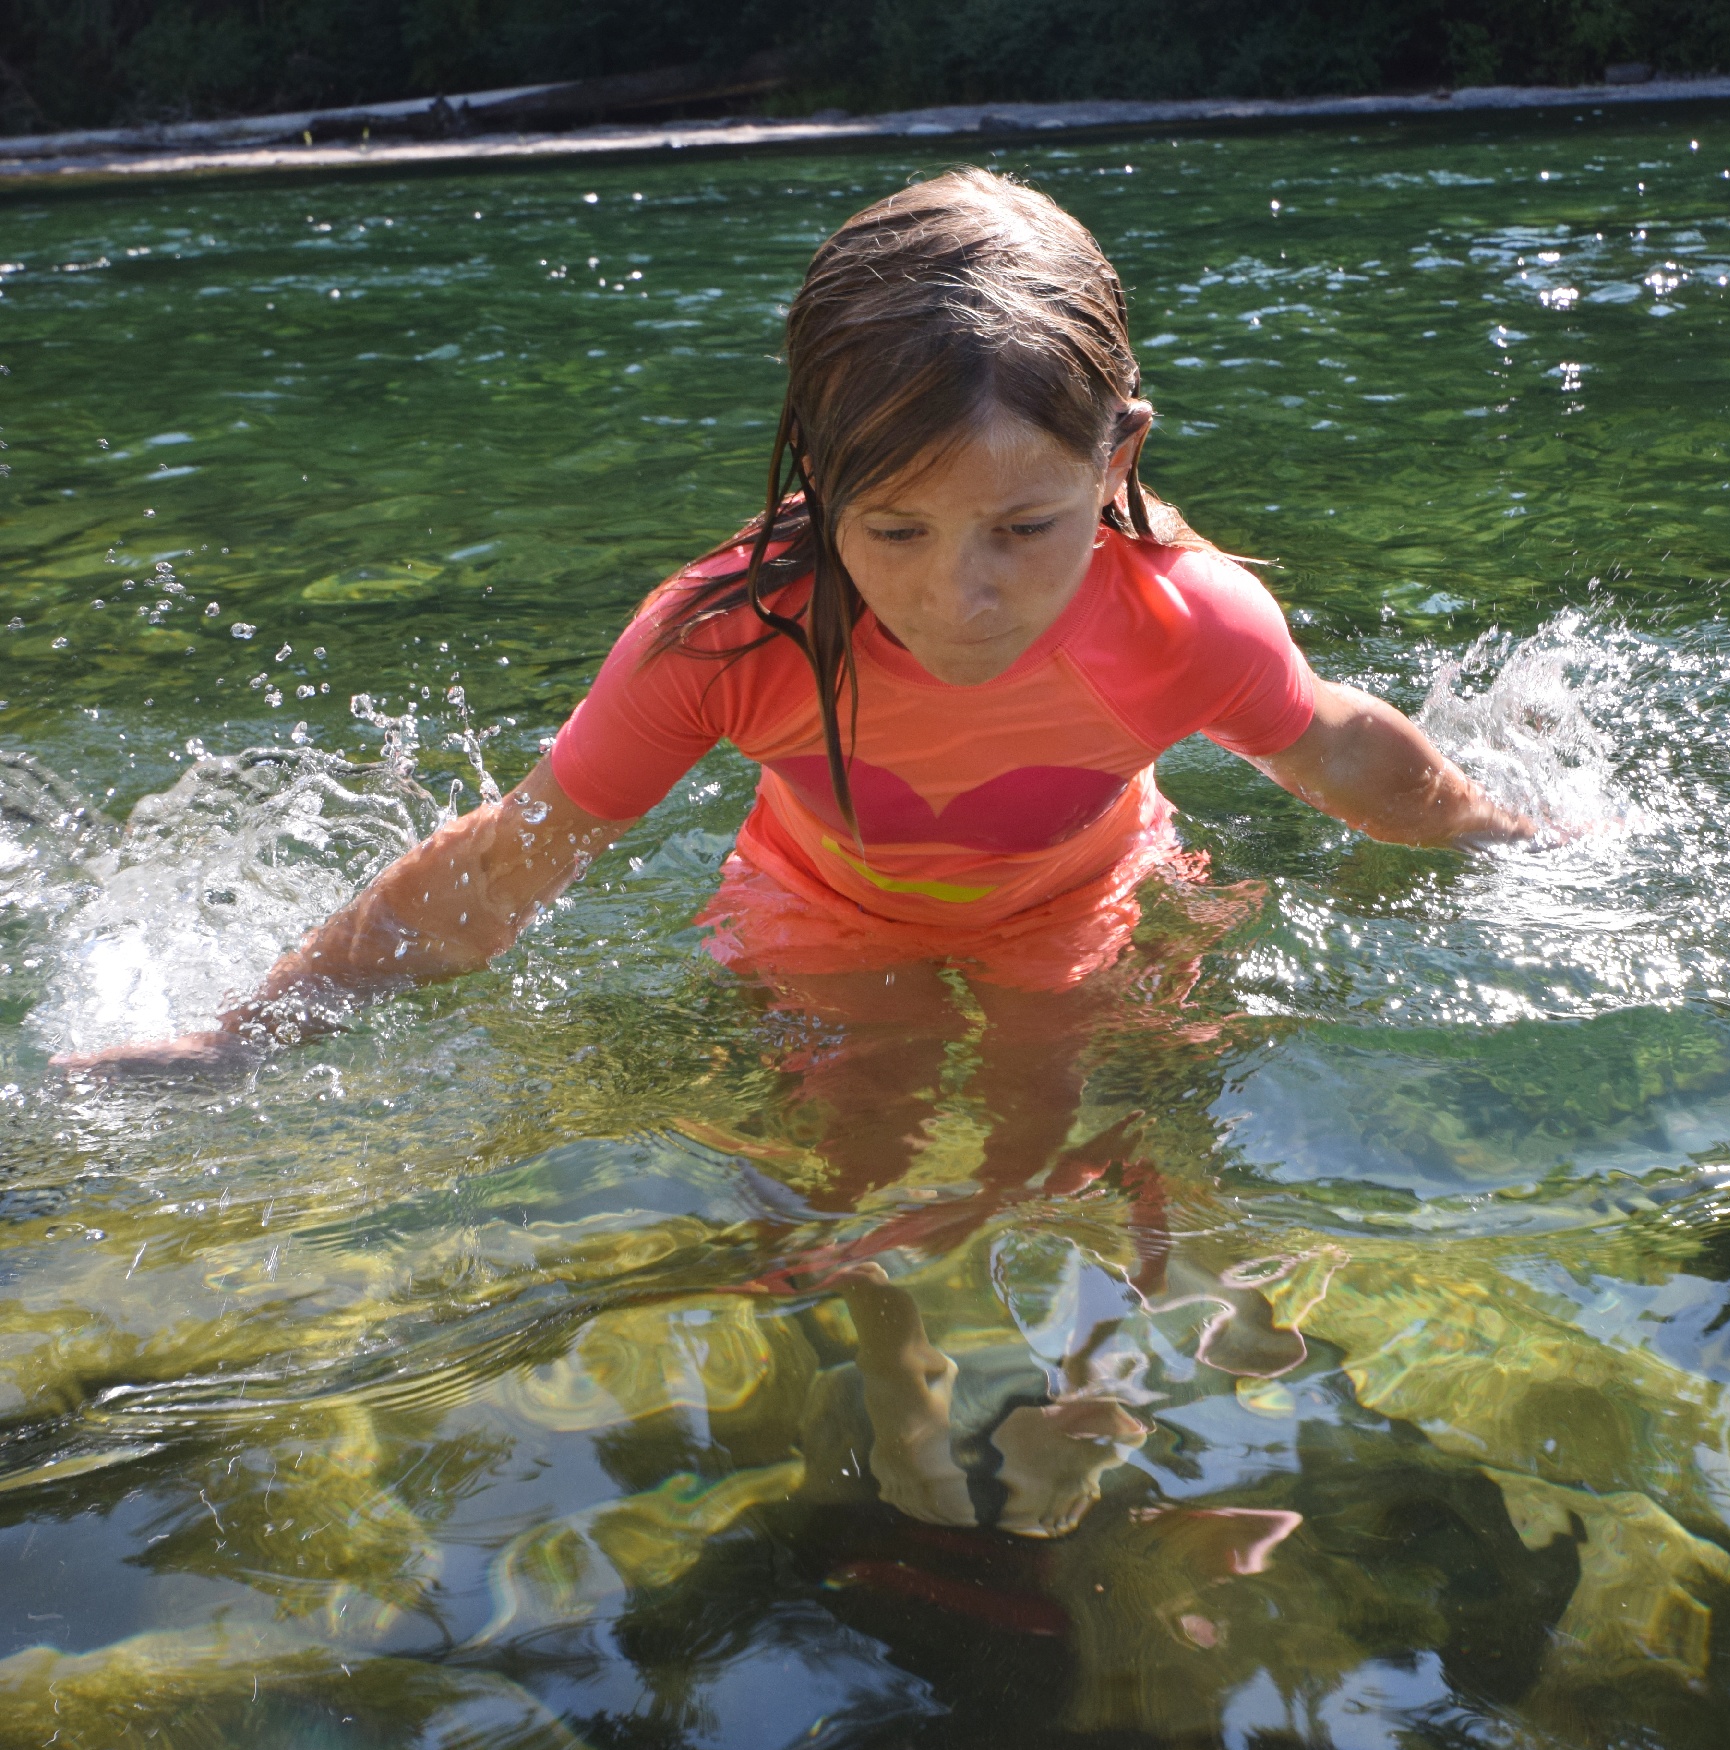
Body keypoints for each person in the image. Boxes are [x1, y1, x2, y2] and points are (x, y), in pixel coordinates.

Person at [58, 168, 1531, 1191]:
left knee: (1059, 1148)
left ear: (1115, 460)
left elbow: (1338, 746)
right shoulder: (727, 640)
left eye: (1026, 529)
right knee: (856, 1170)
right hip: (821, 912)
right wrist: (248, 1037)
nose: (962, 594)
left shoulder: (1181, 622)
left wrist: (1502, 842)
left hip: (1082, 901)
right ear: (819, 482)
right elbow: (510, 864)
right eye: (896, 530)